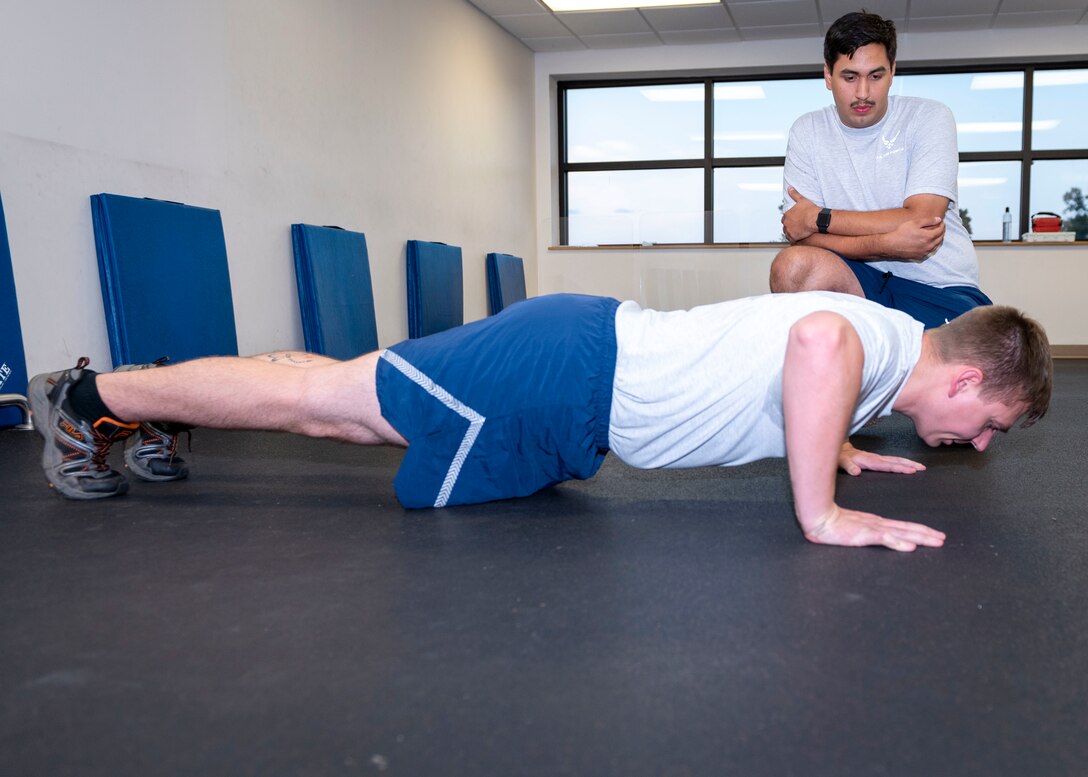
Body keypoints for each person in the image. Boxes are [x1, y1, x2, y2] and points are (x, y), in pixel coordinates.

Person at [29, 292, 1051, 553]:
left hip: (571, 391)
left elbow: (806, 358)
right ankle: (89, 401)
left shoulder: (888, 358)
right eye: (996, 422)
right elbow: (813, 339)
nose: (985, 443)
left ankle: (147, 401)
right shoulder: (865, 347)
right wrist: (820, 510)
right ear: (966, 385)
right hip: (560, 374)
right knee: (323, 409)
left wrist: (834, 442)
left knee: (338, 404)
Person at [770, 10, 992, 329]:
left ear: (892, 72)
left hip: (939, 285)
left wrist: (819, 218)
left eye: (876, 76)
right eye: (850, 77)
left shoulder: (929, 118)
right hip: (860, 282)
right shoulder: (807, 131)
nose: (863, 93)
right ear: (828, 76)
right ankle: (833, 364)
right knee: (791, 267)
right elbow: (801, 237)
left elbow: (921, 219)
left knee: (952, 371)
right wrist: (886, 243)